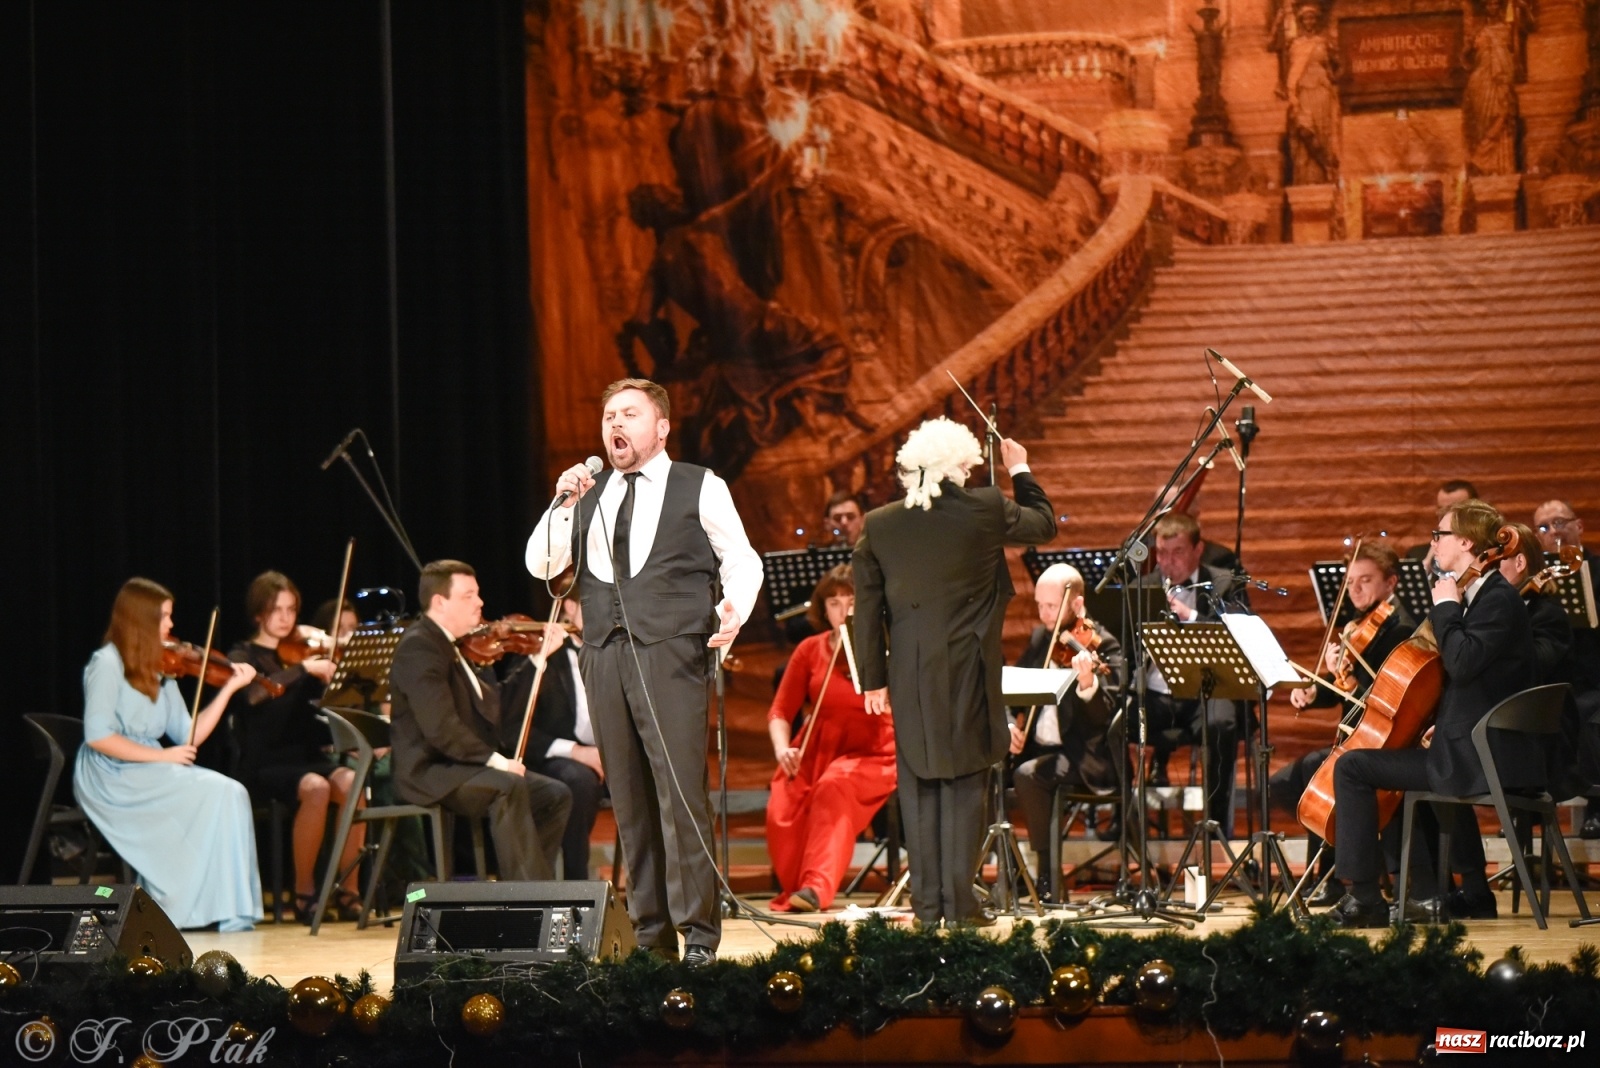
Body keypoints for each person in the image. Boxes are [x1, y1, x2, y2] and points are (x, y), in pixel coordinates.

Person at [526, 378, 763, 967]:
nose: (615, 425)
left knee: (681, 797)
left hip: (672, 654)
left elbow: (742, 559)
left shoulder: (699, 485)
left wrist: (733, 611)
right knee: (628, 799)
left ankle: (700, 937)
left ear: (660, 427)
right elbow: (541, 563)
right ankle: (651, 936)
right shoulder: (590, 492)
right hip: (603, 656)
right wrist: (561, 502)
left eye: (629, 414)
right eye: (608, 415)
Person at [852, 416, 1057, 928]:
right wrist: (1020, 467)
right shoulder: (984, 507)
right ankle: (961, 908)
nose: (971, 471)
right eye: (968, 464)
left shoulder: (881, 523)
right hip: (968, 668)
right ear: (956, 466)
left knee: (919, 782)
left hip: (909, 673)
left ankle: (928, 908)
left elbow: (867, 607)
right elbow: (1044, 524)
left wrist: (873, 680)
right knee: (965, 782)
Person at [1329, 499, 1539, 927]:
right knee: (1384, 763)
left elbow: (1461, 662)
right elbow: (1474, 677)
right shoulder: (1483, 596)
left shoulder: (1495, 599)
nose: (1434, 543)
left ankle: (1365, 898)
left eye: (1439, 534)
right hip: (1470, 745)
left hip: (1485, 756)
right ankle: (1452, 893)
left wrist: (1445, 606)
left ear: (1464, 541)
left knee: (1353, 767)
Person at [74, 578, 263, 931]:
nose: (171, 626)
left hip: (151, 767)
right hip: (111, 774)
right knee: (215, 791)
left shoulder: (161, 668)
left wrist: (229, 690)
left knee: (230, 791)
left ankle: (227, 910)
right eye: (164, 617)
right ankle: (173, 907)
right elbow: (98, 736)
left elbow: (187, 734)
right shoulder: (107, 663)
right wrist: (164, 758)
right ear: (141, 620)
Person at [389, 560, 573, 882]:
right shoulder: (419, 647)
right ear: (440, 602)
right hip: (430, 771)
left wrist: (537, 661)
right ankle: (525, 899)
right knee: (507, 785)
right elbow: (441, 728)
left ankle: (532, 889)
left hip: (461, 765)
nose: (481, 603)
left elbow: (495, 707)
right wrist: (495, 761)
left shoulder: (457, 645)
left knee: (555, 795)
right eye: (469, 595)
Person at [1275, 543, 1416, 907]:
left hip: (1384, 742)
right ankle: (1332, 875)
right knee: (1288, 783)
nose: (1354, 589)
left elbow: (1385, 700)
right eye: (1350, 581)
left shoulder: (1401, 631)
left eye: (1365, 580)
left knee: (1315, 771)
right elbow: (1343, 690)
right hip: (1356, 739)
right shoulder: (1357, 627)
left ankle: (1337, 878)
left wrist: (1348, 682)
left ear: (1391, 583)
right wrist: (1313, 693)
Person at [228, 571, 364, 924]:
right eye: (276, 610)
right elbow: (256, 694)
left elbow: (324, 715)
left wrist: (338, 681)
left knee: (352, 783)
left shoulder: (307, 653)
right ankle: (304, 892)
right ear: (258, 613)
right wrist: (303, 669)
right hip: (264, 763)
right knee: (316, 788)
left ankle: (349, 891)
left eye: (291, 609)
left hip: (307, 756)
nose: (286, 618)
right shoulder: (244, 654)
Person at [765, 565, 896, 912]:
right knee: (784, 801)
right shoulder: (810, 649)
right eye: (835, 603)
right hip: (819, 745)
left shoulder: (884, 645)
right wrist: (783, 748)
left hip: (876, 749)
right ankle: (798, 886)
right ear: (823, 609)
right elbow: (779, 711)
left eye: (852, 601)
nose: (844, 610)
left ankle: (816, 888)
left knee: (834, 787)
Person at [1007, 563, 1126, 903]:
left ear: (1076, 605)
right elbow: (1012, 686)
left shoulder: (1104, 644)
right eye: (1040, 605)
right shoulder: (1040, 639)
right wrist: (1011, 726)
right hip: (1039, 747)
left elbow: (1107, 717)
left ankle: (1046, 875)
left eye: (1051, 606)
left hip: (1084, 756)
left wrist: (1088, 684)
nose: (1043, 613)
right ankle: (1012, 873)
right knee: (983, 763)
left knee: (1029, 775)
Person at [1140, 511, 1247, 832]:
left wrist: (1191, 616)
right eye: (1161, 553)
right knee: (1111, 720)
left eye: (1177, 552)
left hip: (1207, 691)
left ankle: (1215, 825)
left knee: (1222, 723)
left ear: (1198, 550)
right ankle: (1126, 822)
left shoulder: (1225, 584)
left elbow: (1241, 636)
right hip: (1156, 694)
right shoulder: (1141, 588)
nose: (1167, 562)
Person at [502, 591, 607, 881]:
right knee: (579, 779)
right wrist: (576, 751)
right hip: (555, 758)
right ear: (570, 607)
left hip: (607, 753)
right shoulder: (543, 653)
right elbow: (513, 729)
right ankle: (577, 885)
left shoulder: (615, 651)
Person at [1532, 499, 1600, 837]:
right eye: (1544, 527)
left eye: (1561, 522)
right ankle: (1528, 811)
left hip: (1594, 675)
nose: (1554, 531)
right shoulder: (1538, 579)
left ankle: (1596, 805)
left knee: (1588, 712)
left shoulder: (1598, 568)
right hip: (1559, 676)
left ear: (1579, 526)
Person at [1406, 480, 1479, 566]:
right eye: (1441, 509)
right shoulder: (1416, 555)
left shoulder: (1487, 555)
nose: (1444, 515)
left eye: (1453, 509)